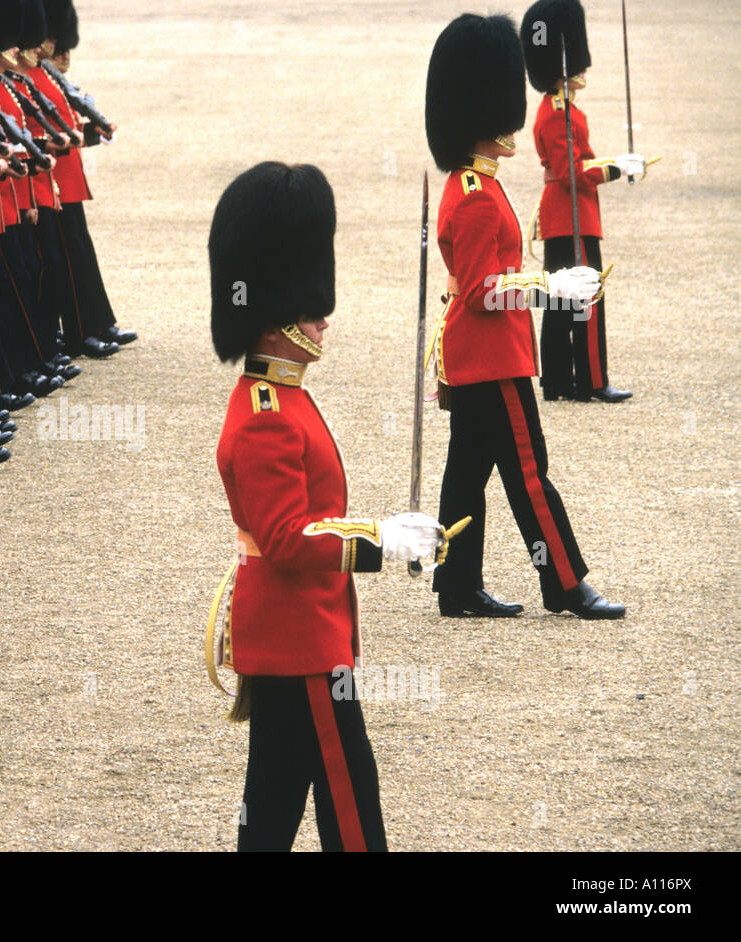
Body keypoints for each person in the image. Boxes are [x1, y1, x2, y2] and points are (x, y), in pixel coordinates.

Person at [210, 161, 447, 852]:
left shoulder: (282, 396)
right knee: (349, 800)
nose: (322, 317)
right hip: (299, 640)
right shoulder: (266, 415)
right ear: (276, 318)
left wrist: (380, 533)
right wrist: (383, 540)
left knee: (276, 800)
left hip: (303, 634)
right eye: (310, 307)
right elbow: (287, 539)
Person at [425, 12, 624, 620]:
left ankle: (456, 586)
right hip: (494, 358)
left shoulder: (470, 184)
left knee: (467, 475)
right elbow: (486, 292)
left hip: (474, 357)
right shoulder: (478, 198)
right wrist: (550, 288)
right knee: (529, 473)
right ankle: (564, 584)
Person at [522, 0, 640, 403]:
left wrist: (613, 165)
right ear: (562, 69)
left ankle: (556, 381)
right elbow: (574, 171)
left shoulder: (561, 109)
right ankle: (591, 380)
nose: (583, 70)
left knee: (561, 299)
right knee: (587, 294)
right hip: (572, 215)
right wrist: (617, 168)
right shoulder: (559, 114)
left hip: (563, 214)